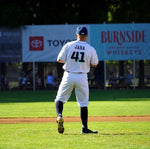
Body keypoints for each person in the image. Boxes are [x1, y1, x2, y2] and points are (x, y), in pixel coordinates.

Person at [55, 26, 98, 134]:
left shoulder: (69, 45)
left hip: (68, 75)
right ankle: (84, 128)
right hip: (82, 76)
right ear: (86, 36)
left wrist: (71, 61)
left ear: (77, 35)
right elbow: (95, 64)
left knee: (60, 98)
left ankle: (59, 115)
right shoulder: (90, 48)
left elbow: (59, 59)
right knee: (83, 103)